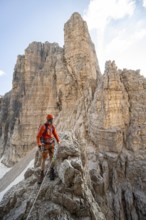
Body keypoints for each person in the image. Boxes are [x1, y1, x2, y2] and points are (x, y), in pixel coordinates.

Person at [36, 114, 60, 184]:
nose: (52, 121)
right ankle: (42, 174)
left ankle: (51, 171)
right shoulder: (43, 127)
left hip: (51, 144)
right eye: (51, 120)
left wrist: (58, 141)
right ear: (49, 120)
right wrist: (39, 144)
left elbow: (55, 134)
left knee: (52, 158)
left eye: (52, 120)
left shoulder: (52, 127)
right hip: (45, 145)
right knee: (44, 159)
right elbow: (38, 136)